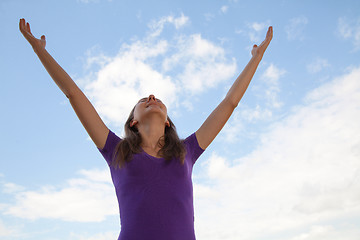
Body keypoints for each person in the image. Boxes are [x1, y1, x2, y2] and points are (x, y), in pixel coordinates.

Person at [19, 18, 273, 240]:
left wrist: (256, 59)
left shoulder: (187, 152)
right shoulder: (116, 150)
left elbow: (229, 103)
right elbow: (73, 94)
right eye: (143, 100)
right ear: (133, 122)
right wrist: (39, 50)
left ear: (167, 122)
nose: (151, 96)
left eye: (157, 100)